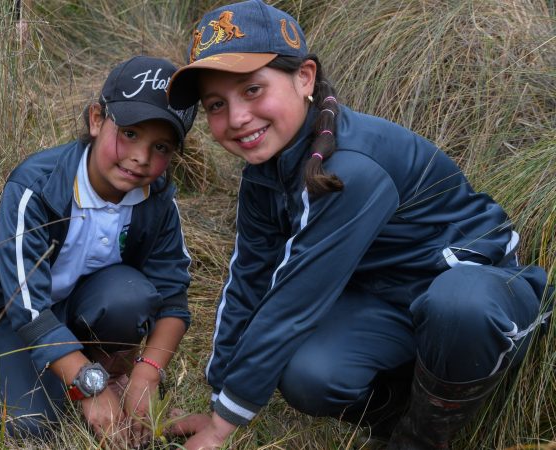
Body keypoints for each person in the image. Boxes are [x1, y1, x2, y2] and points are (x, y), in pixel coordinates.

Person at [165, 1, 551, 449]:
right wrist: (220, 398)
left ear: (304, 77)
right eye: (216, 104)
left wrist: (221, 429)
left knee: (459, 306)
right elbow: (249, 279)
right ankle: (403, 411)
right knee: (309, 374)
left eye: (252, 89)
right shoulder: (264, 173)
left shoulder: (352, 167)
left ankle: (422, 438)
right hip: (387, 298)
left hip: (482, 296)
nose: (236, 118)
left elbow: (296, 300)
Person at [0, 55, 197, 447]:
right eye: (129, 133)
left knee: (130, 296)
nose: (140, 157)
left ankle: (118, 376)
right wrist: (88, 387)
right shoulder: (36, 187)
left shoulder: (157, 200)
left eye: (160, 146)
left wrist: (147, 374)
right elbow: (27, 307)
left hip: (88, 305)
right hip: (18, 316)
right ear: (96, 119)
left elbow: (172, 300)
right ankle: (88, 380)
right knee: (29, 425)